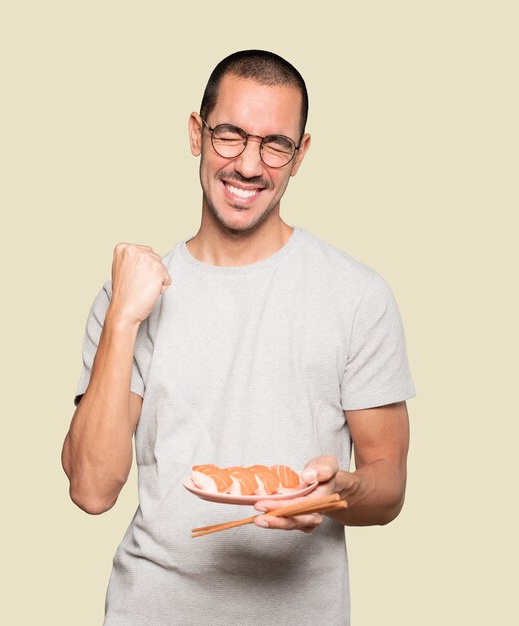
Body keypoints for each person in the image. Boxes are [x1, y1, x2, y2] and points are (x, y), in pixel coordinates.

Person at [62, 49, 415, 626]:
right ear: (197, 134)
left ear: (300, 155)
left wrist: (338, 490)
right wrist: (123, 318)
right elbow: (92, 489)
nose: (249, 165)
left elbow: (389, 486)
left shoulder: (357, 295)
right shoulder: (131, 296)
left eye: (275, 144)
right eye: (230, 136)